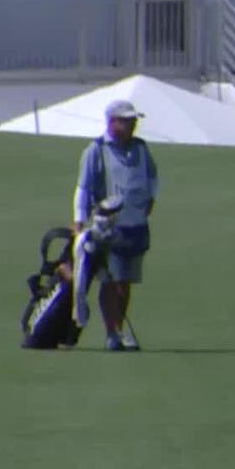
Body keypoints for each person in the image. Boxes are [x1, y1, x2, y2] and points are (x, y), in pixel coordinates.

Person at [73, 99, 159, 351]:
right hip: (108, 228)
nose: (133, 125)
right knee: (112, 280)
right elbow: (84, 188)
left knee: (126, 281)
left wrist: (150, 201)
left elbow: (152, 178)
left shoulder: (141, 149)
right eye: (127, 121)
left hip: (136, 226)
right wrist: (78, 222)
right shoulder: (96, 151)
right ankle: (113, 333)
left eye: (133, 121)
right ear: (112, 122)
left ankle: (119, 328)